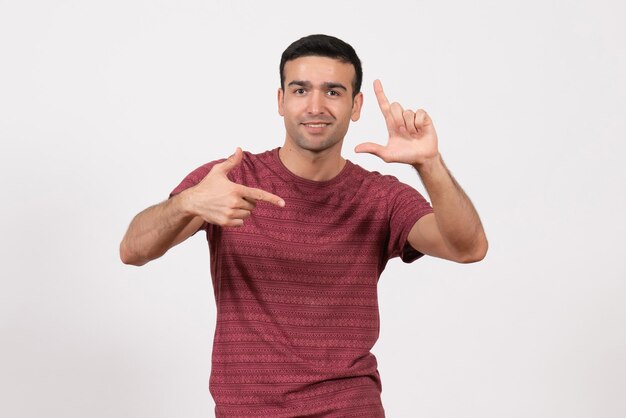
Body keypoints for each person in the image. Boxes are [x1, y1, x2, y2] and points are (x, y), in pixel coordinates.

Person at [120, 34, 487, 418]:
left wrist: (428, 164)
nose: (315, 106)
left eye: (333, 92)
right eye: (300, 90)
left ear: (355, 104)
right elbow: (133, 250)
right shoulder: (229, 180)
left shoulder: (380, 197)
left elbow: (467, 247)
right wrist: (187, 203)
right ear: (281, 101)